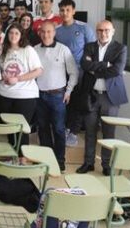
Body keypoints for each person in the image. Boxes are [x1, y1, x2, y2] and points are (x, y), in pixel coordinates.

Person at [77, 20, 128, 176]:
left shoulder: (120, 48)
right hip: (91, 95)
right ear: (96, 31)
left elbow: (117, 70)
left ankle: (106, 165)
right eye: (100, 30)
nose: (103, 33)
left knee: (108, 133)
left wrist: (96, 67)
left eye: (106, 30)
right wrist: (106, 65)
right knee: (90, 131)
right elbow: (85, 65)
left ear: (113, 31)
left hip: (110, 98)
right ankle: (89, 162)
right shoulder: (89, 46)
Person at [34, 22, 78, 172]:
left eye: (49, 32)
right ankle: (47, 159)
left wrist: (69, 91)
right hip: (39, 96)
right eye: (43, 32)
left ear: (54, 33)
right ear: (40, 33)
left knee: (59, 129)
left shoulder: (63, 49)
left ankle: (60, 160)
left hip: (58, 96)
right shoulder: (34, 50)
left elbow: (74, 72)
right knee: (43, 129)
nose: (46, 35)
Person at [0, 23, 43, 148]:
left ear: (21, 35)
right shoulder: (2, 49)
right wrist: (2, 75)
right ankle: (12, 156)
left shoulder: (28, 50)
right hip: (4, 94)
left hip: (24, 96)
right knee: (10, 129)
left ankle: (22, 158)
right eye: (11, 33)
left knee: (21, 129)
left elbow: (38, 71)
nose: (13, 35)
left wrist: (18, 79)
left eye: (16, 33)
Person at [55, 0, 96, 146]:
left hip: (80, 73)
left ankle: (73, 132)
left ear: (73, 11)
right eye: (62, 10)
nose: (64, 13)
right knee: (63, 102)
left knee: (77, 103)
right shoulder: (57, 30)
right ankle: (63, 129)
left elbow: (93, 50)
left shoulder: (84, 28)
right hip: (60, 73)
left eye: (67, 10)